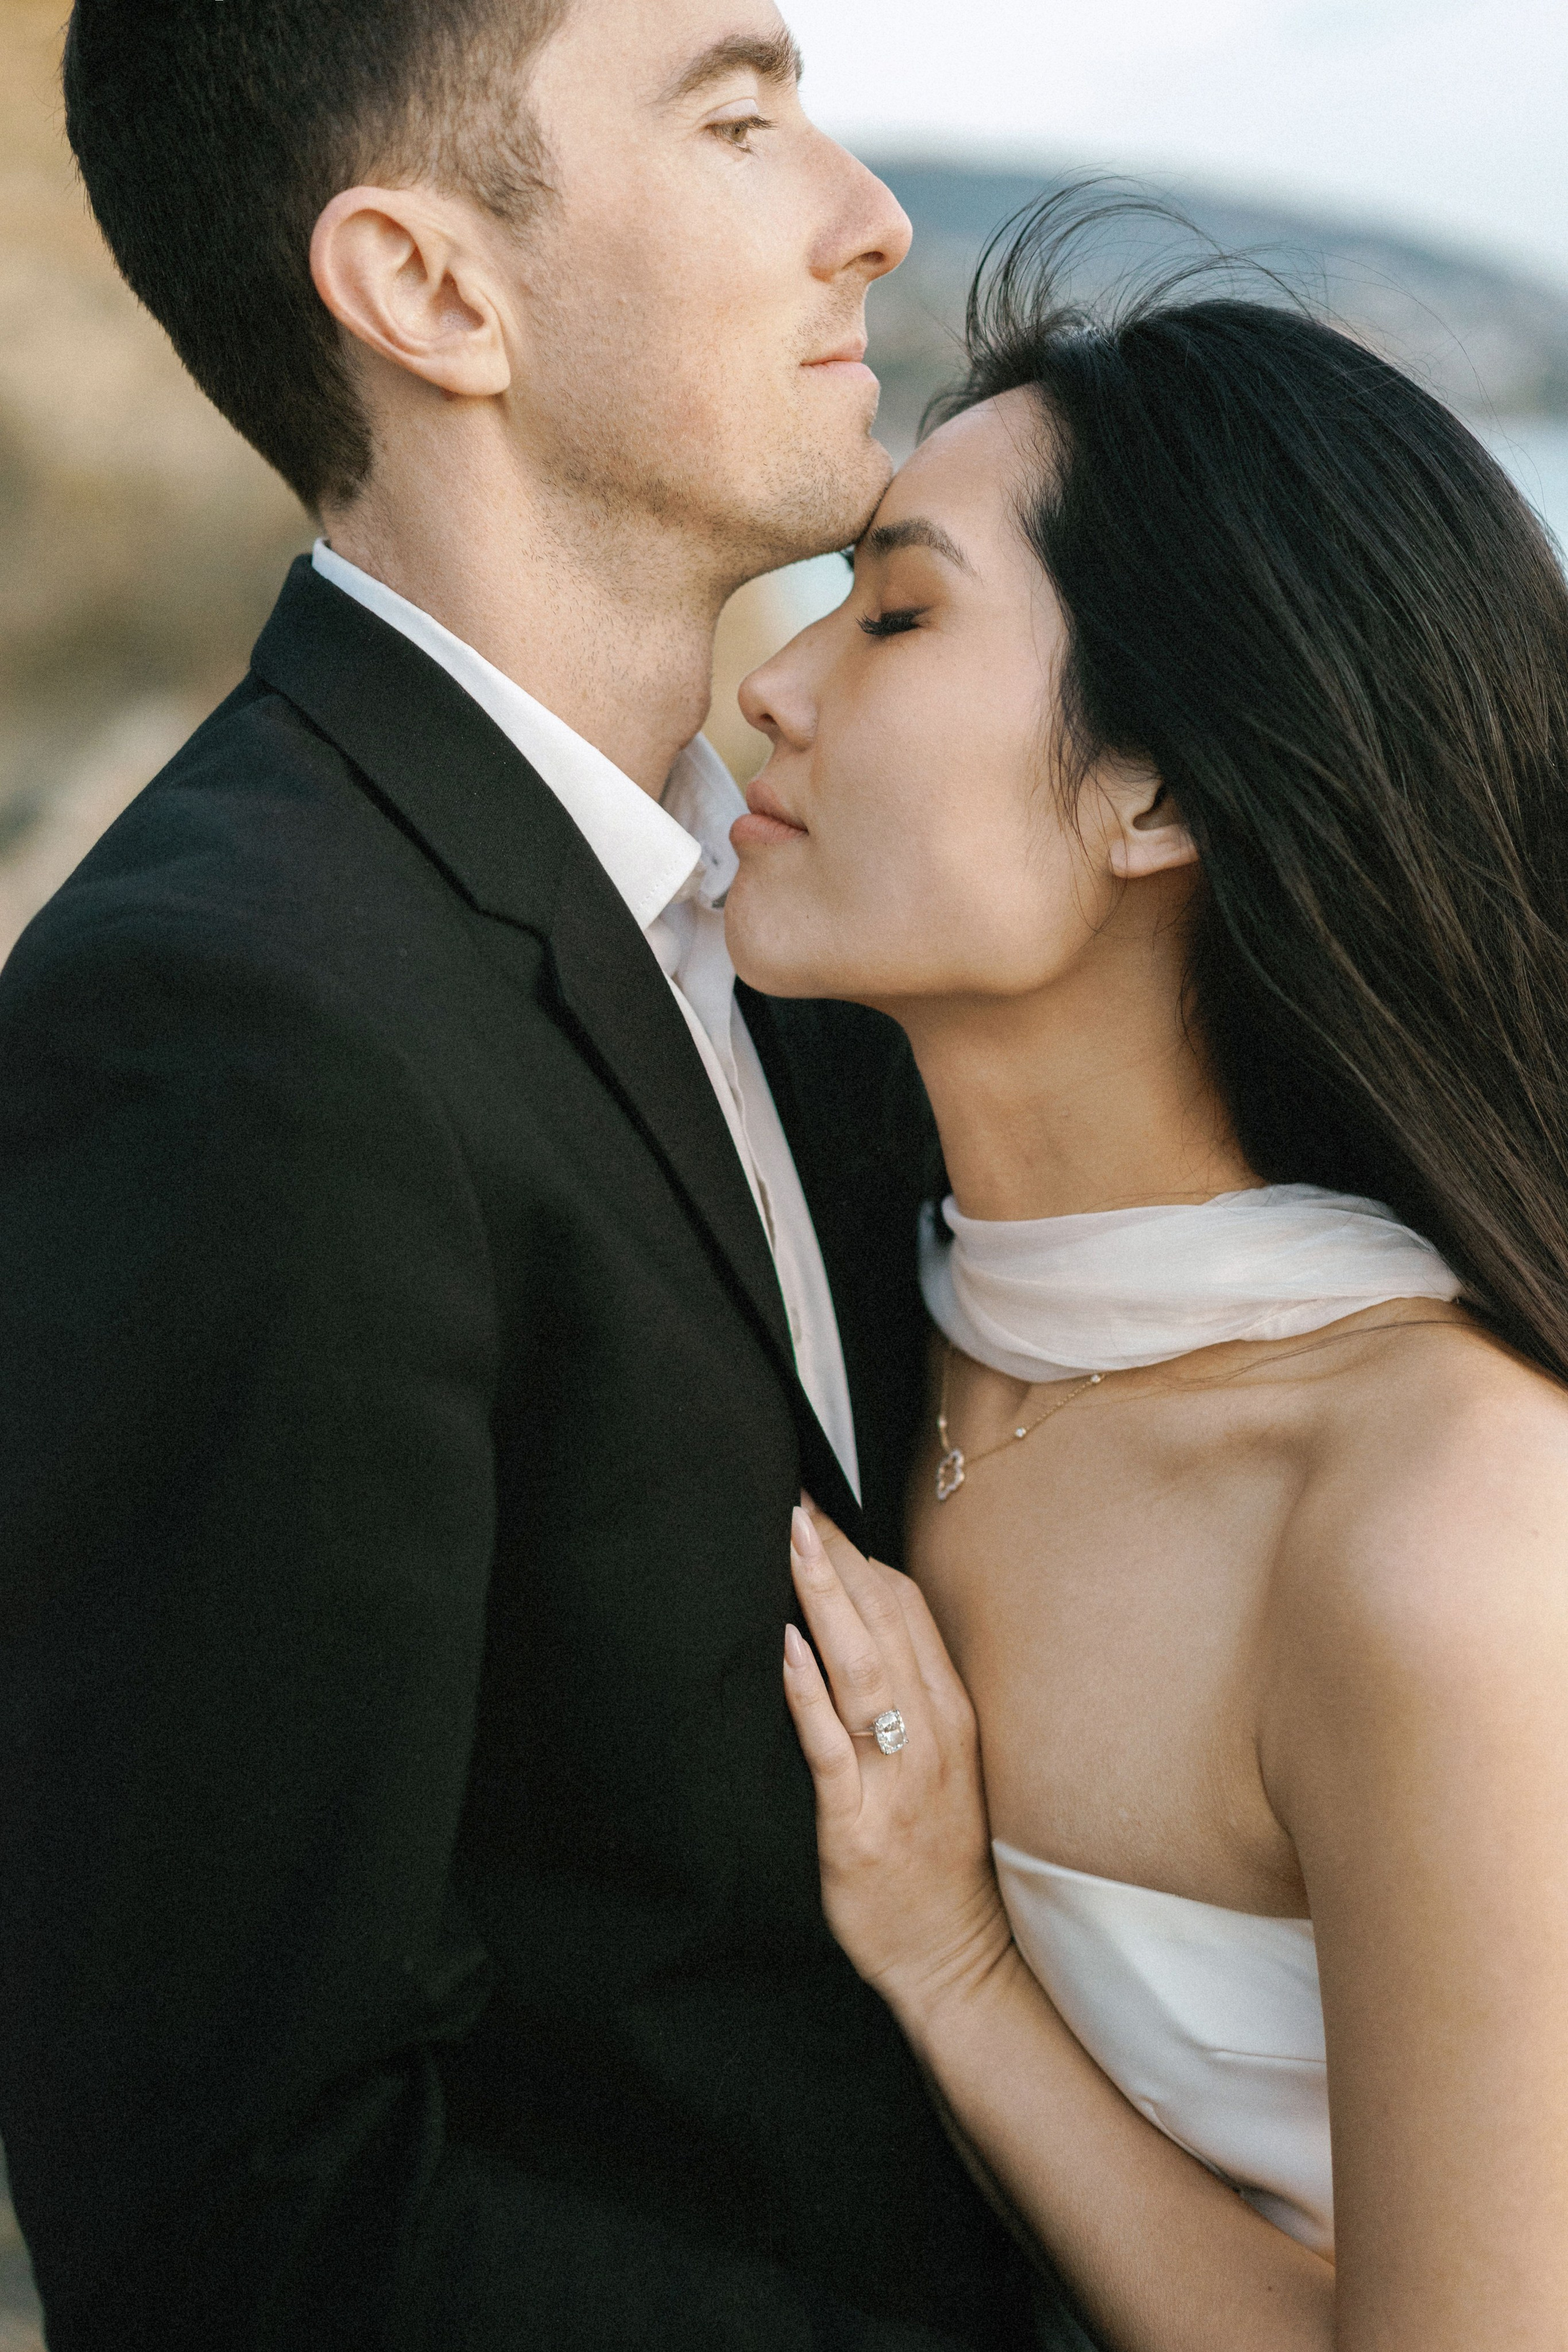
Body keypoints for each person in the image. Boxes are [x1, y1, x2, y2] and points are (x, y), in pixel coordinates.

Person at [0, 6, 1077, 2346]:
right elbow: (249, 2217)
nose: (867, 212)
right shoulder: (228, 1031)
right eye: (739, 112)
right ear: (435, 295)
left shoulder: (808, 912)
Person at [724, 197, 1568, 2350]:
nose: (770, 696)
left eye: (895, 622)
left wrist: (958, 1970)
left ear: (1159, 787)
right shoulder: (825, 1258)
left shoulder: (1442, 1519)